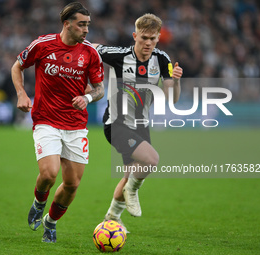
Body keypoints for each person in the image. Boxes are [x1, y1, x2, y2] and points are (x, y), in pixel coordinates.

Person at [11, 2, 104, 243]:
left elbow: (99, 89)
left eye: (88, 25)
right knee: (49, 174)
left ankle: (50, 223)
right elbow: (17, 66)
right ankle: (39, 202)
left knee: (72, 184)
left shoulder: (90, 53)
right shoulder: (42, 45)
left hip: (76, 125)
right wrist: (21, 93)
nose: (86, 30)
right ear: (67, 24)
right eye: (81, 24)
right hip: (46, 120)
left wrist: (86, 97)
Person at [92, 13, 183, 233]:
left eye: (152, 38)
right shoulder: (120, 55)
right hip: (116, 123)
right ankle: (132, 192)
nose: (148, 42)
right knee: (151, 160)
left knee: (128, 175)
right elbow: (92, 47)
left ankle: (111, 218)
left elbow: (171, 98)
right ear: (135, 36)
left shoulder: (162, 59)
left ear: (158, 38)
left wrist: (177, 81)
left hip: (140, 124)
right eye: (144, 38)